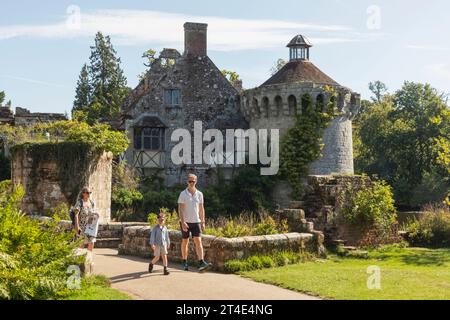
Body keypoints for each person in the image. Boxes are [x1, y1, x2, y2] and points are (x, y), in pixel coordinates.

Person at [177, 174, 212, 272]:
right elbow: (180, 209)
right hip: (185, 222)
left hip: (196, 221)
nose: (191, 183)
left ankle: (201, 262)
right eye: (189, 181)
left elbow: (201, 209)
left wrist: (203, 221)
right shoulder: (183, 194)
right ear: (187, 181)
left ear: (196, 181)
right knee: (185, 242)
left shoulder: (200, 194)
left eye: (193, 181)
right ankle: (184, 261)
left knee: (198, 241)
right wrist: (183, 221)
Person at [73, 187, 97, 252]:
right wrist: (77, 226)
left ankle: (88, 260)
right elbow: (76, 215)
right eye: (87, 192)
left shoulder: (92, 203)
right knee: (81, 244)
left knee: (91, 242)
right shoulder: (79, 203)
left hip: (90, 227)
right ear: (83, 193)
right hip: (82, 227)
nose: (88, 194)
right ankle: (80, 260)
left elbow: (93, 213)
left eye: (89, 192)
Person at [148, 211, 170, 275]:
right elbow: (152, 236)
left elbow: (167, 236)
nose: (161, 221)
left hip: (164, 244)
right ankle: (151, 264)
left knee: (164, 256)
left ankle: (165, 269)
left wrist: (168, 243)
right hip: (157, 244)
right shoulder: (155, 228)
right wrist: (152, 244)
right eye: (160, 220)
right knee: (157, 257)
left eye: (162, 220)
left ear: (164, 220)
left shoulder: (165, 228)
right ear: (157, 220)